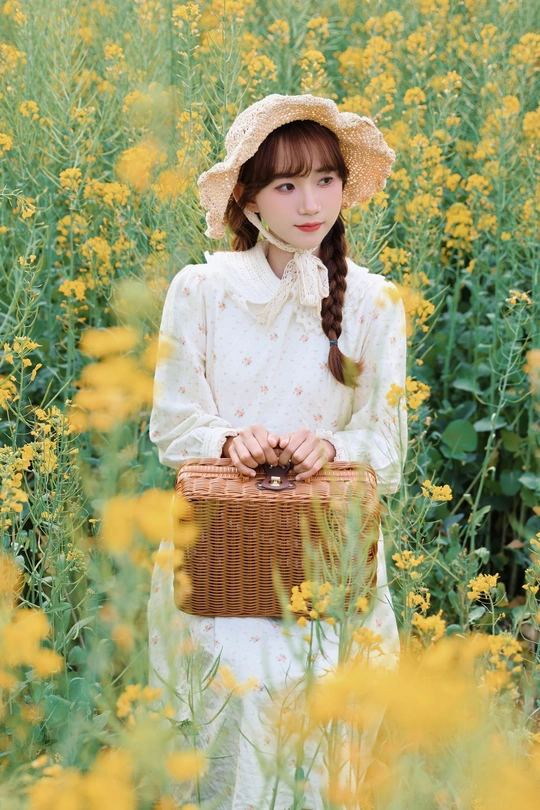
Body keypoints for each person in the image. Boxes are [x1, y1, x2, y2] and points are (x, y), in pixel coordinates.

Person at [147, 93, 408, 809]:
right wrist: (230, 439)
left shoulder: (375, 302)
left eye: (325, 180)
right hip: (221, 556)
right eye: (286, 185)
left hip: (330, 554)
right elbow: (170, 424)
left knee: (321, 703)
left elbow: (386, 449)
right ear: (248, 197)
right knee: (237, 701)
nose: (311, 203)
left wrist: (329, 443)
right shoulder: (201, 289)